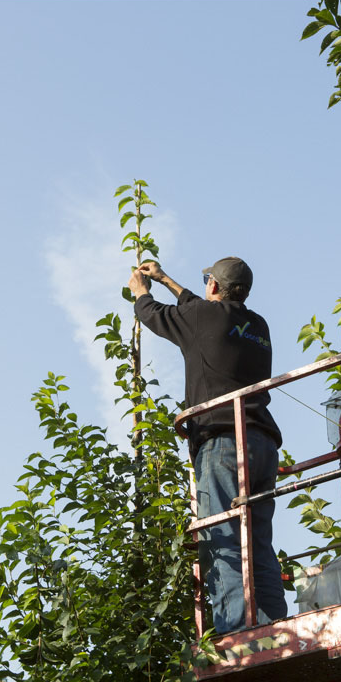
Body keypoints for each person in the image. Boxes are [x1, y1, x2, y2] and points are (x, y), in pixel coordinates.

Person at [127, 256, 288, 633]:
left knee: (224, 542)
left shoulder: (201, 318)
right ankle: (271, 627)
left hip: (222, 445)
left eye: (206, 281)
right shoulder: (258, 326)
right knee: (258, 541)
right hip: (261, 443)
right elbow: (198, 311)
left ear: (213, 286)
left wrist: (141, 292)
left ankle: (236, 634)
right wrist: (166, 279)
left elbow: (154, 315)